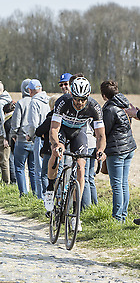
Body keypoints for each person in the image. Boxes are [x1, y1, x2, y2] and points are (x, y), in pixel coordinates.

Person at [44, 76, 106, 232]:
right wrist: (57, 144)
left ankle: (76, 214)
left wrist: (100, 150)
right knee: (55, 153)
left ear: (88, 96)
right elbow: (54, 129)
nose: (79, 103)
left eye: (83, 99)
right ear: (72, 95)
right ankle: (50, 189)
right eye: (77, 99)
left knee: (81, 167)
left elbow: (101, 135)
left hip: (79, 133)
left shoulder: (94, 107)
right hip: (62, 131)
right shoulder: (62, 102)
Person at [101, 80, 136, 222]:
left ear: (104, 95)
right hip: (129, 147)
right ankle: (124, 214)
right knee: (123, 183)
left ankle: (117, 217)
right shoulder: (125, 103)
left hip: (116, 150)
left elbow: (105, 130)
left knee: (116, 185)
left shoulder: (109, 109)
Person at [10, 79, 35, 196]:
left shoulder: (21, 103)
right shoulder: (38, 101)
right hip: (35, 139)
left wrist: (13, 135)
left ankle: (23, 194)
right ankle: (36, 194)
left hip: (22, 138)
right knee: (33, 169)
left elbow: (15, 123)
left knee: (19, 167)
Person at [26, 79, 50, 199]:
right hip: (50, 137)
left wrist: (30, 135)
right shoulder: (48, 100)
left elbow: (33, 124)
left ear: (30, 91)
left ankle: (41, 197)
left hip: (39, 137)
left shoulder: (34, 102)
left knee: (39, 170)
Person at [0, 81, 13, 183]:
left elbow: (3, 120)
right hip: (7, 133)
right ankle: (9, 180)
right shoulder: (8, 99)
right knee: (7, 159)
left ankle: (6, 182)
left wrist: (5, 137)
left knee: (3, 160)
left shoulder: (0, 103)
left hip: (2, 134)